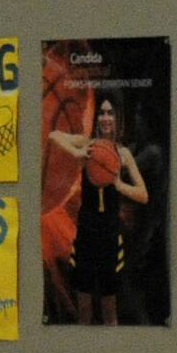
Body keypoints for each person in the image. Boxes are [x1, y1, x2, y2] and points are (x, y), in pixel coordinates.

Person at [48, 95, 148, 324]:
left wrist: (119, 184)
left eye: (110, 113)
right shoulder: (87, 144)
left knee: (109, 306)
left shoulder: (122, 153)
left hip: (110, 234)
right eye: (101, 113)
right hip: (86, 232)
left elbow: (143, 195)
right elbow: (53, 136)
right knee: (83, 305)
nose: (105, 118)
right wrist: (76, 153)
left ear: (118, 118)